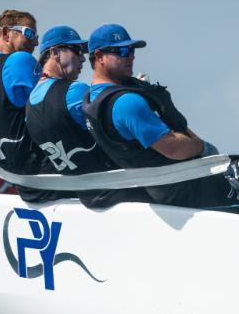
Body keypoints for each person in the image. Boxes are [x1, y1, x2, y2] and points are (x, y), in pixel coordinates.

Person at [82, 24, 236, 209]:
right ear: (99, 57)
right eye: (122, 51)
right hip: (191, 191)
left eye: (132, 50)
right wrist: (203, 146)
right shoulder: (126, 103)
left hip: (162, 195)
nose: (131, 56)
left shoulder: (91, 99)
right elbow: (173, 148)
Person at [25, 26, 150, 208]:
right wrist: (137, 95)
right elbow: (119, 119)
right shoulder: (74, 91)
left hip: (88, 199)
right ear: (55, 53)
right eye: (77, 50)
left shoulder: (29, 106)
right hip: (122, 192)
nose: (83, 57)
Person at [0, 9, 72, 203]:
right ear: (5, 33)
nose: (35, 43)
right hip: (46, 174)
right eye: (29, 33)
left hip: (20, 180)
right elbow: (54, 104)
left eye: (36, 36)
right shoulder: (19, 60)